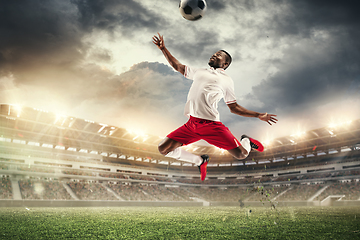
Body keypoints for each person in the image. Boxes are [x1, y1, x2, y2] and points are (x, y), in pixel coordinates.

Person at [152, 33, 278, 181]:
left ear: (225, 64)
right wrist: (163, 49)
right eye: (214, 54)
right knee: (163, 149)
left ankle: (247, 141)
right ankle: (200, 161)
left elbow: (234, 107)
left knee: (242, 154)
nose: (214, 55)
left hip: (211, 126)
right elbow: (177, 66)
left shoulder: (226, 80)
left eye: (218, 55)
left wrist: (257, 115)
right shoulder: (200, 71)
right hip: (192, 124)